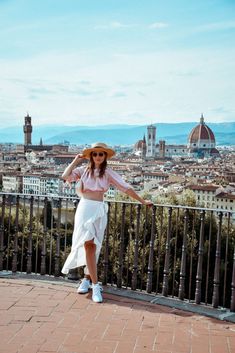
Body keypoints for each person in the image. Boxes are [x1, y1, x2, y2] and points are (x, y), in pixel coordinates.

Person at [61, 142, 153, 303]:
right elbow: (65, 176)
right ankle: (96, 286)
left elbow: (126, 187)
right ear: (90, 156)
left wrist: (142, 201)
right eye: (94, 154)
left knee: (94, 247)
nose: (97, 157)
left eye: (101, 154)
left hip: (99, 210)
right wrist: (75, 161)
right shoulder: (82, 171)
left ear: (105, 156)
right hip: (84, 209)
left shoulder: (108, 173)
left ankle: (86, 279)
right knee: (88, 244)